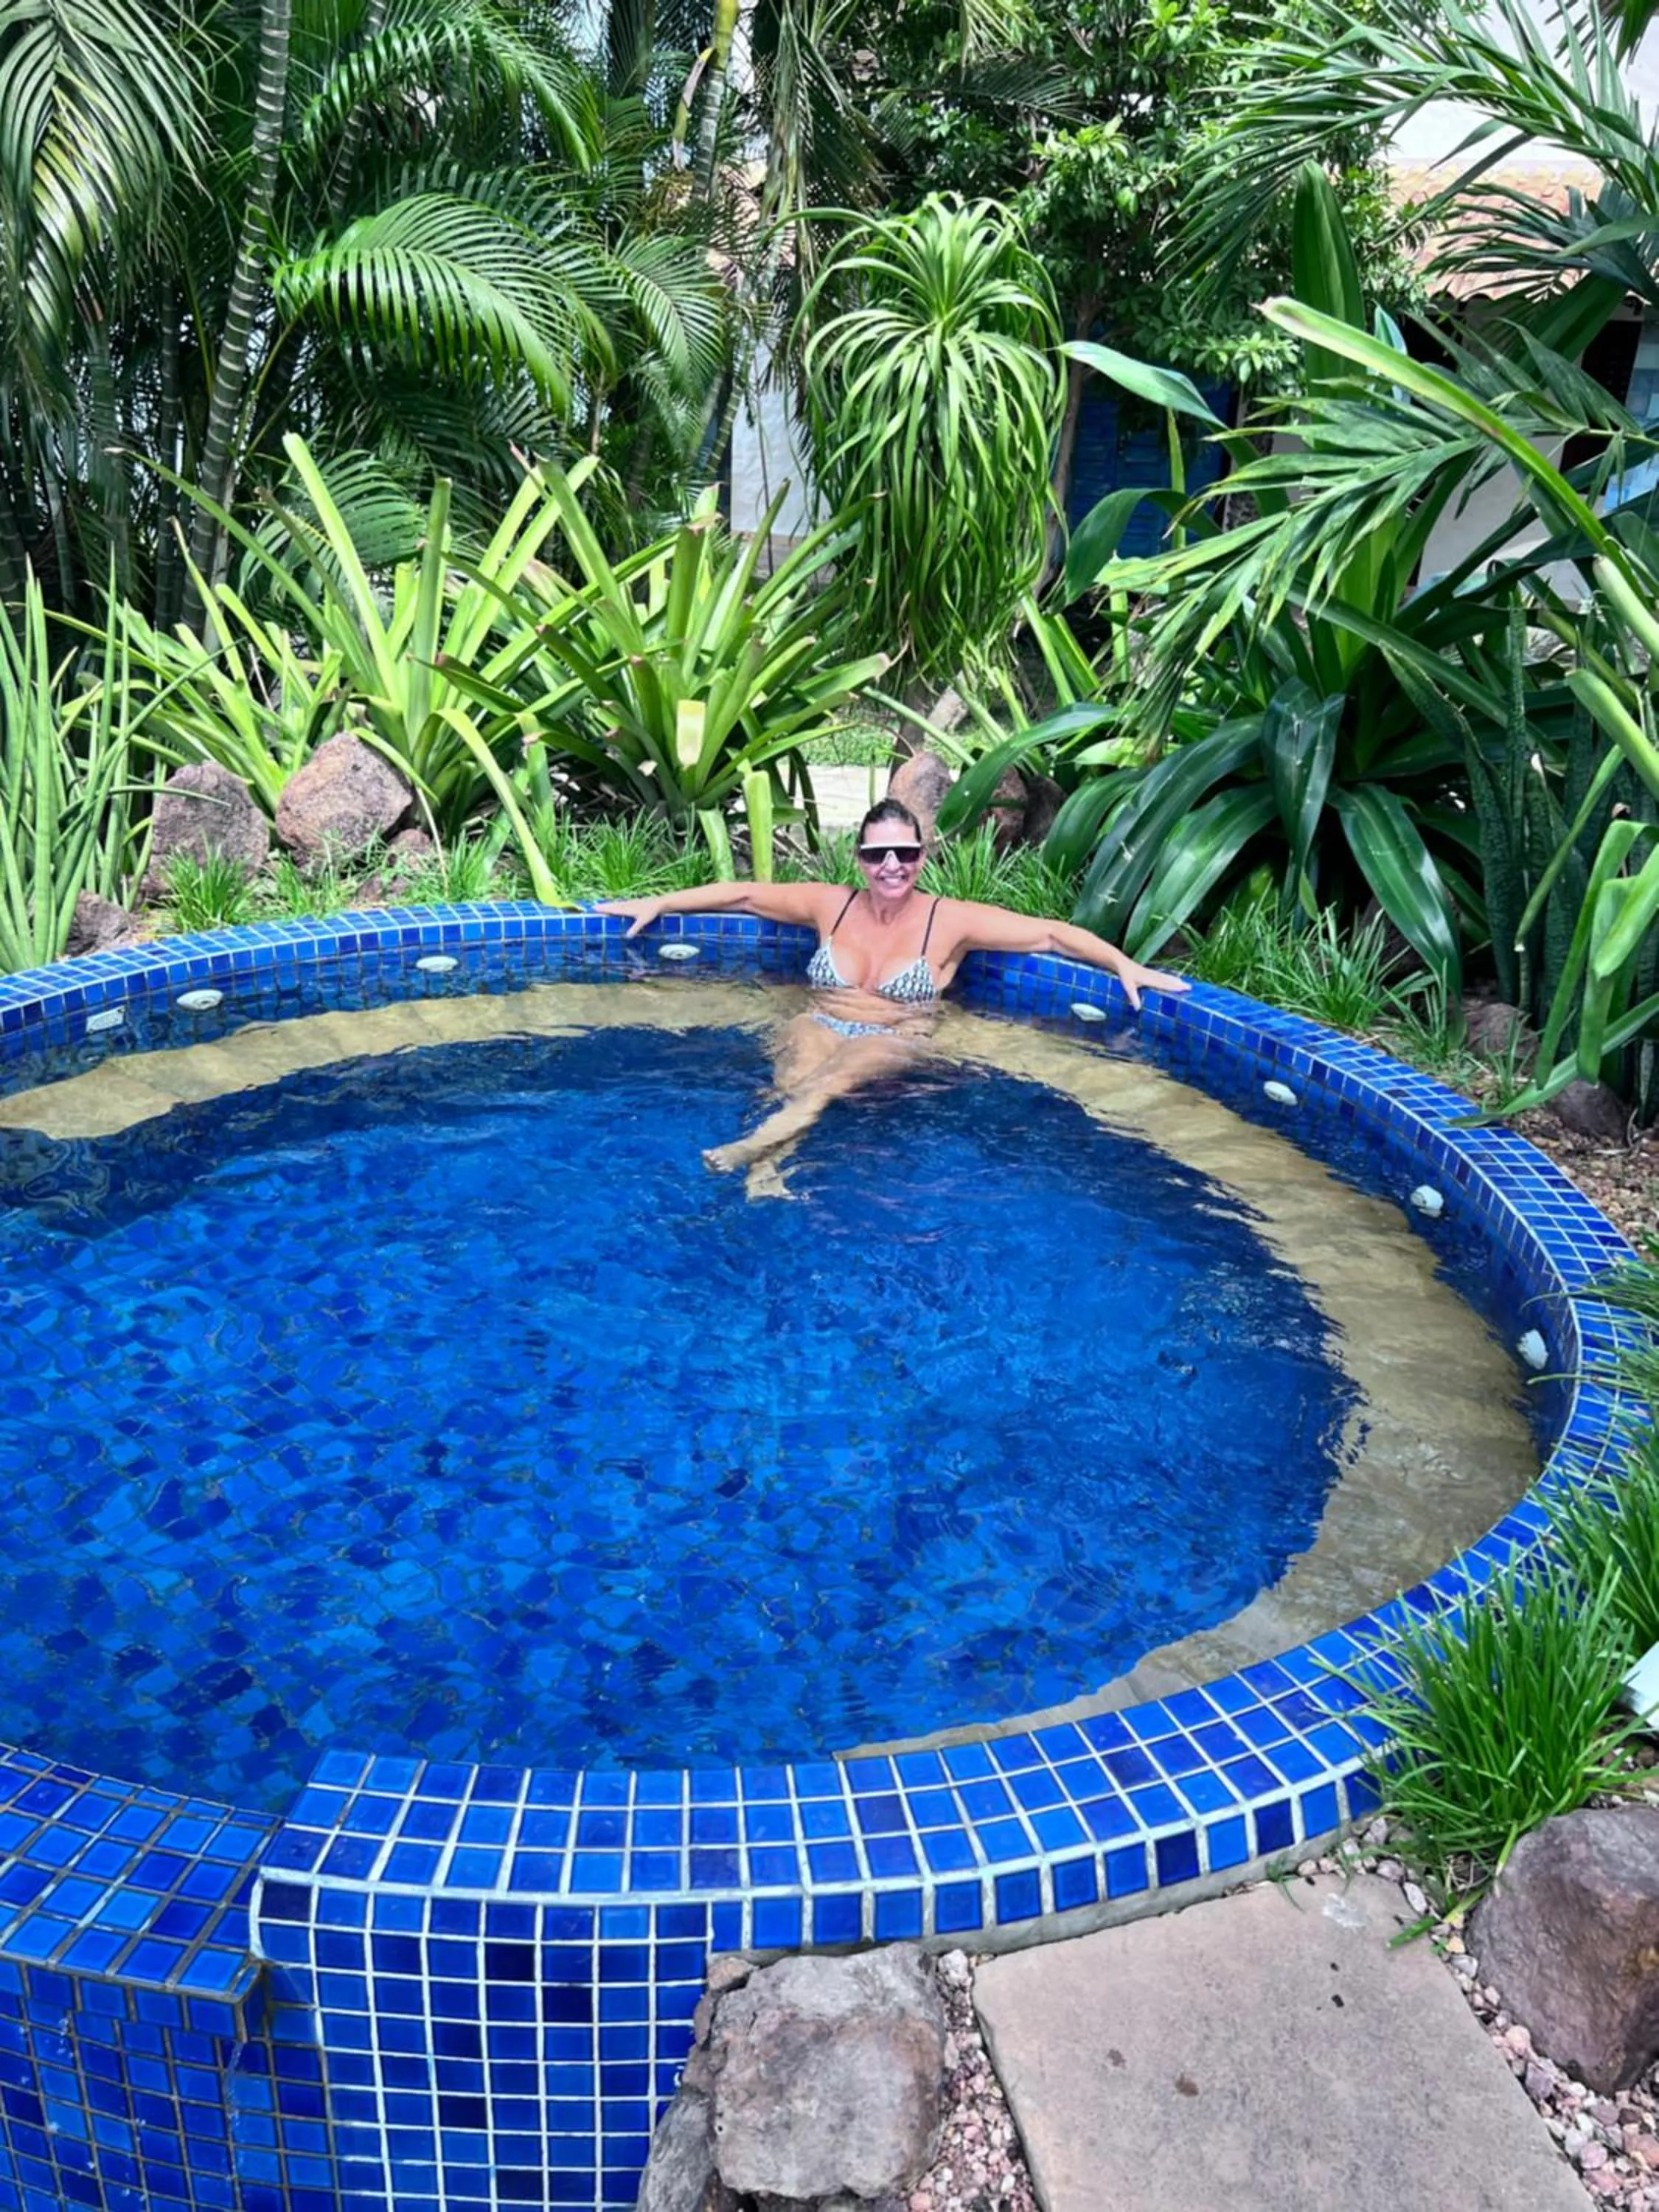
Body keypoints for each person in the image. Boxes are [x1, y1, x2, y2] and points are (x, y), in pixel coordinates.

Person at [597, 798, 1187, 1177]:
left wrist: (1123, 966)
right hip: (823, 1017)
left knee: (831, 1082)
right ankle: (768, 1173)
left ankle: (750, 1152)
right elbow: (745, 894)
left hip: (898, 1033)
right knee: (795, 1074)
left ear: (922, 857)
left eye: (905, 853)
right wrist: (660, 902)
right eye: (879, 854)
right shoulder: (831, 903)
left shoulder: (950, 919)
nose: (892, 866)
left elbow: (1053, 937)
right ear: (859, 858)